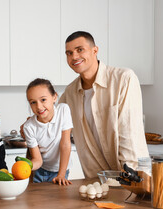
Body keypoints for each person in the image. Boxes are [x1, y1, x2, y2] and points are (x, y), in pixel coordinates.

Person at [58, 31, 149, 178]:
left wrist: (131, 177)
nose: (74, 57)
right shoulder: (69, 93)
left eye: (80, 50)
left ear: (95, 50)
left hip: (131, 177)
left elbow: (128, 135)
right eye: (69, 53)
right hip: (96, 180)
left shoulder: (123, 79)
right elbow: (52, 123)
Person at [23, 78, 73, 185]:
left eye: (43, 100)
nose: (39, 107)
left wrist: (61, 174)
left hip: (61, 170)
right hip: (40, 171)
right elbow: (37, 160)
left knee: (59, 200)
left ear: (54, 97)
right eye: (33, 102)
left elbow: (65, 144)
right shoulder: (29, 126)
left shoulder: (63, 110)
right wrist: (24, 167)